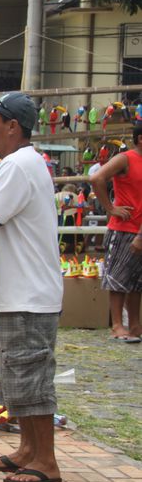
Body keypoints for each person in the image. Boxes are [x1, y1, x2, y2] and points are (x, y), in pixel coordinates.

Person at [0, 92, 64, 482]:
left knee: (31, 377)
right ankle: (27, 449)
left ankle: (46, 460)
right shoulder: (22, 163)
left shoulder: (18, 164)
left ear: (12, 126)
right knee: (16, 377)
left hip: (29, 293)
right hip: (18, 291)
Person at [90, 122, 142, 342]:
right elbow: (96, 178)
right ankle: (117, 325)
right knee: (119, 277)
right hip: (124, 227)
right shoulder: (126, 158)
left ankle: (135, 324)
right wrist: (110, 208)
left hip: (139, 228)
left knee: (137, 281)